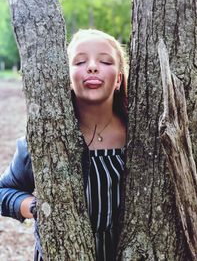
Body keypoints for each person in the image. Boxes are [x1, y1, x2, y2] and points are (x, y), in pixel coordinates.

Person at [0, 29, 128, 261]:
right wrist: (38, 208)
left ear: (118, 79)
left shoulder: (139, 137)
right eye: (80, 61)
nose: (92, 66)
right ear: (67, 79)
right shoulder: (44, 141)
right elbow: (3, 192)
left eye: (105, 61)